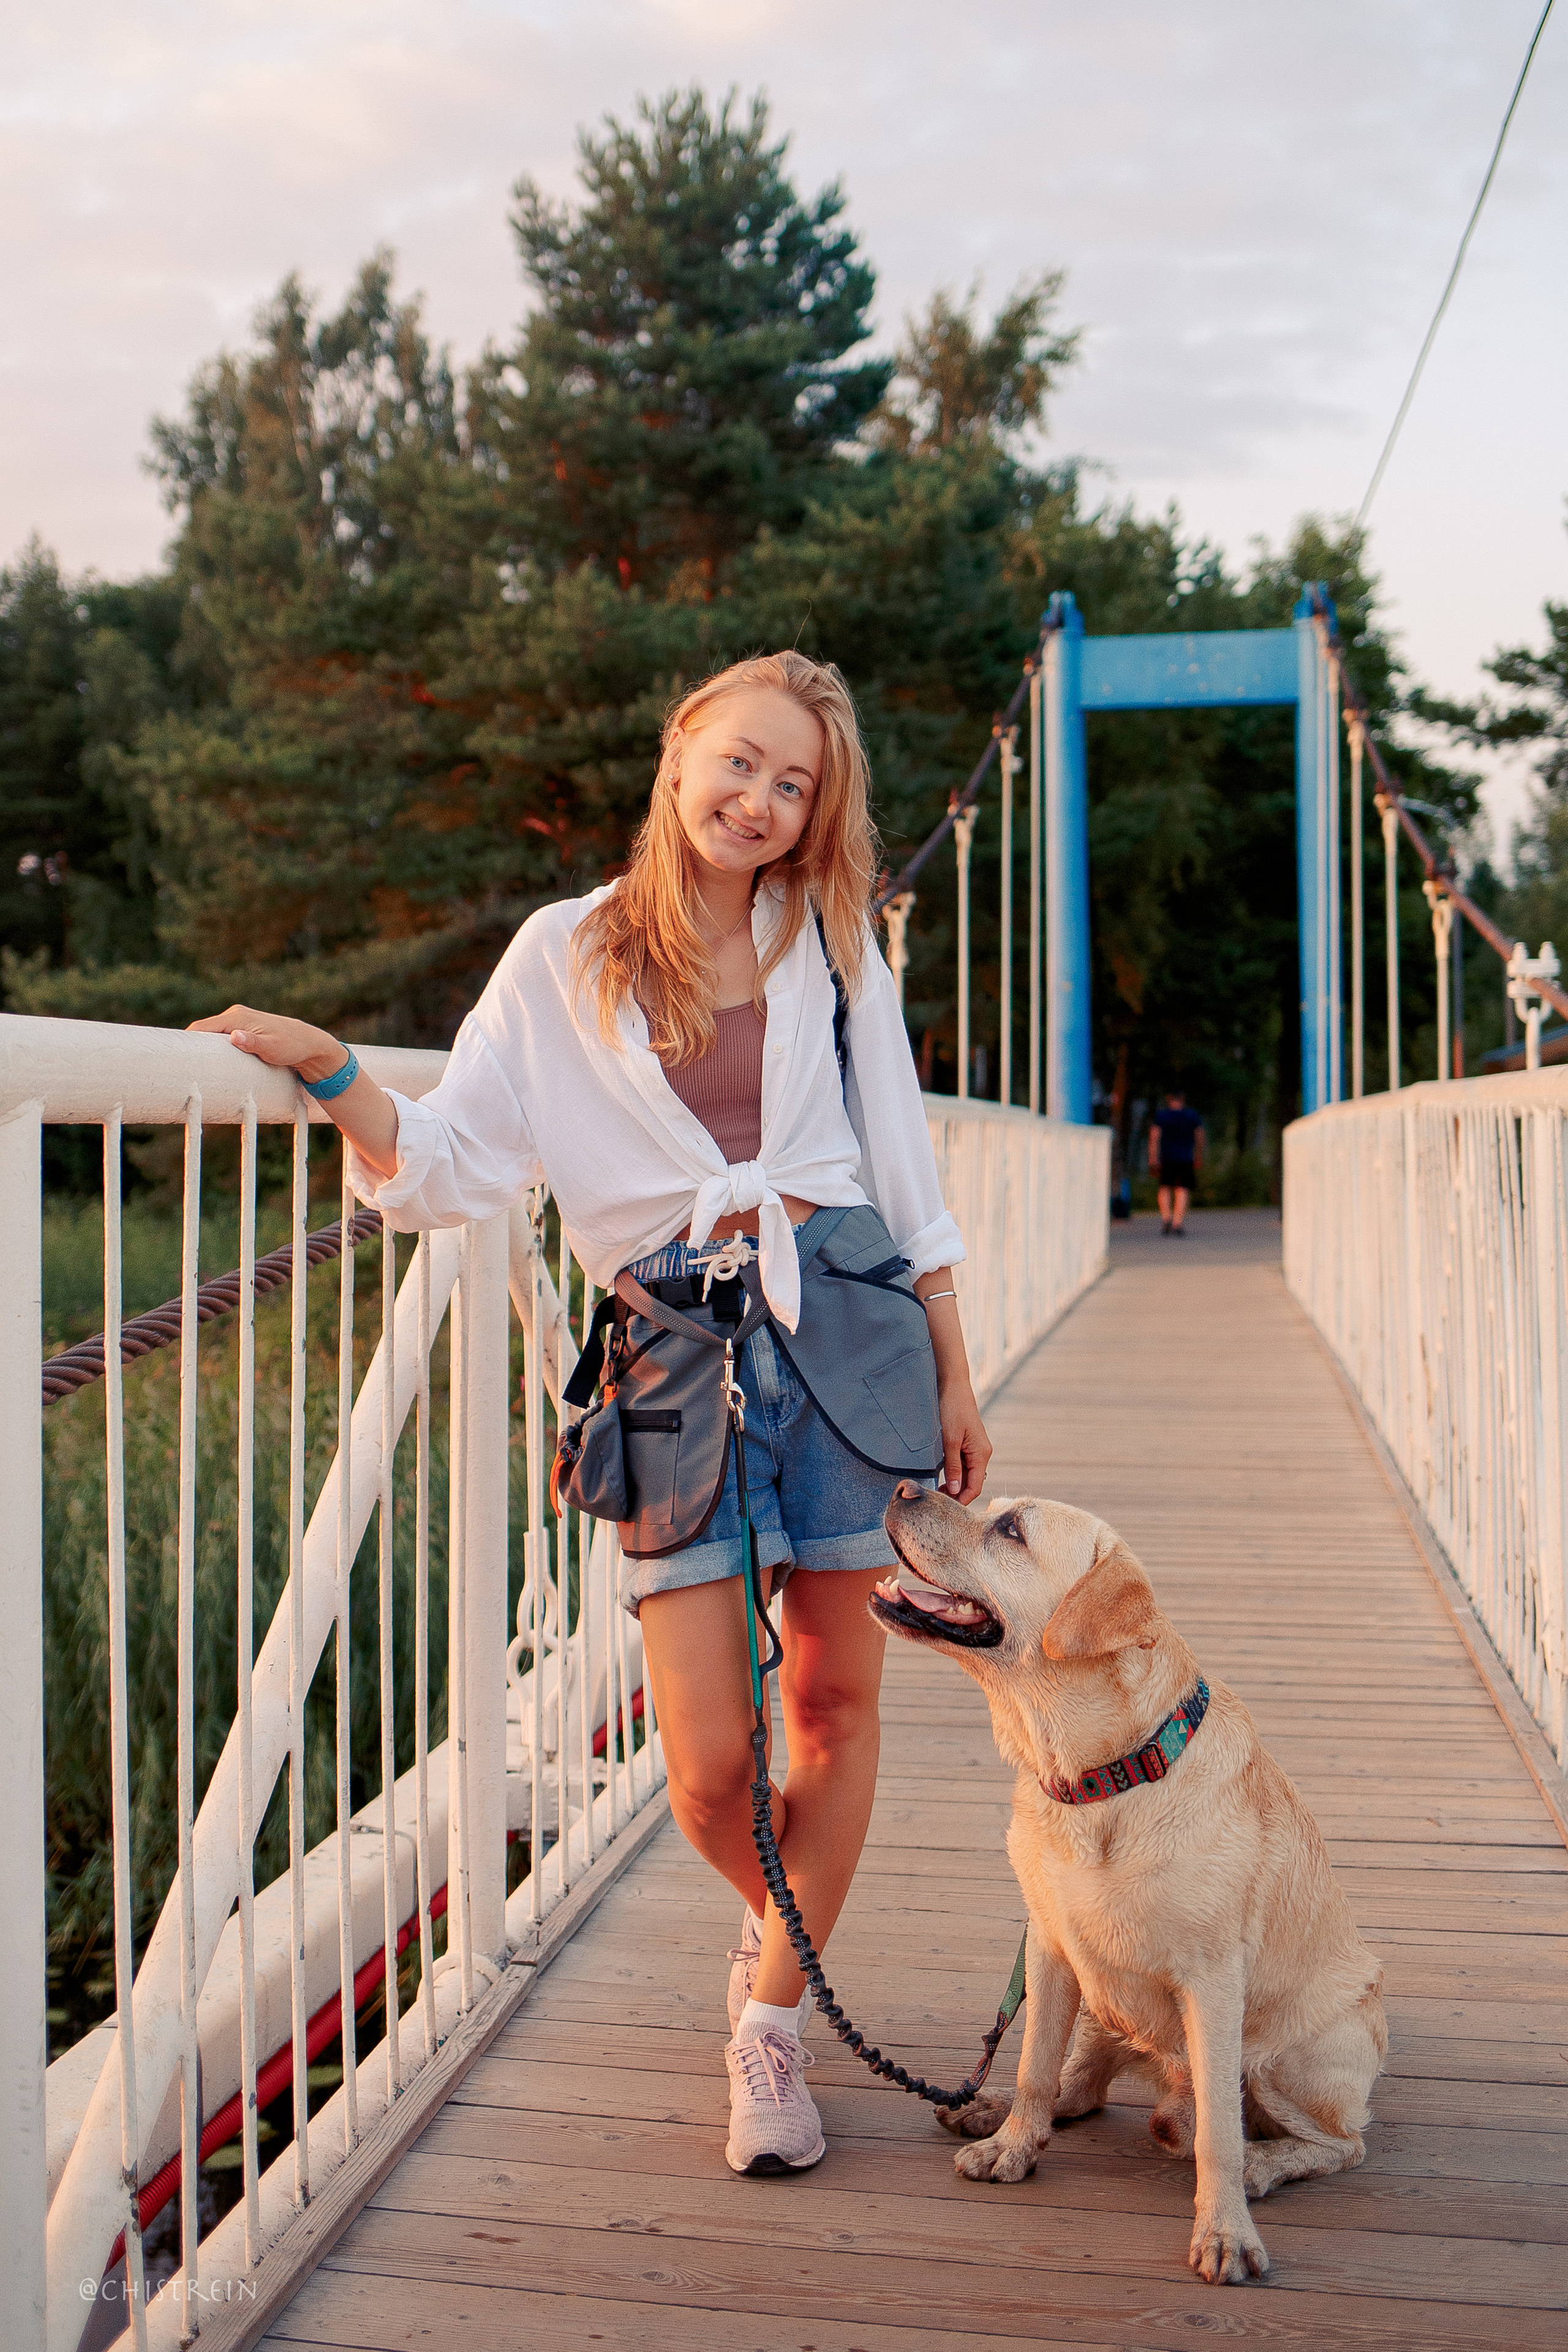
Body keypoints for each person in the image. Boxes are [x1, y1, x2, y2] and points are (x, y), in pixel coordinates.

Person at [192, 650, 992, 2180]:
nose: (758, 801)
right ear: (680, 743)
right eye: (740, 761)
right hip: (671, 1352)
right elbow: (450, 1166)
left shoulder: (832, 940)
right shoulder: (562, 956)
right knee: (702, 1760)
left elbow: (901, 1165)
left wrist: (954, 1364)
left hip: (848, 1323)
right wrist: (334, 1069)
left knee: (829, 1706)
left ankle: (769, 2026)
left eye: (794, 785)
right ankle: (786, 1926)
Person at [1149, 1089, 1204, 1232]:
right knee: (1182, 1189)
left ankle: (1166, 1218)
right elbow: (1200, 1136)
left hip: (1166, 1157)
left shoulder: (1162, 1116)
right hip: (1185, 1157)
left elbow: (1154, 1137)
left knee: (1165, 1187)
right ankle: (1177, 1222)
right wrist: (1198, 1155)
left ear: (1169, 1099)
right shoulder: (1191, 1116)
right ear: (1183, 1099)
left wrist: (1153, 1158)